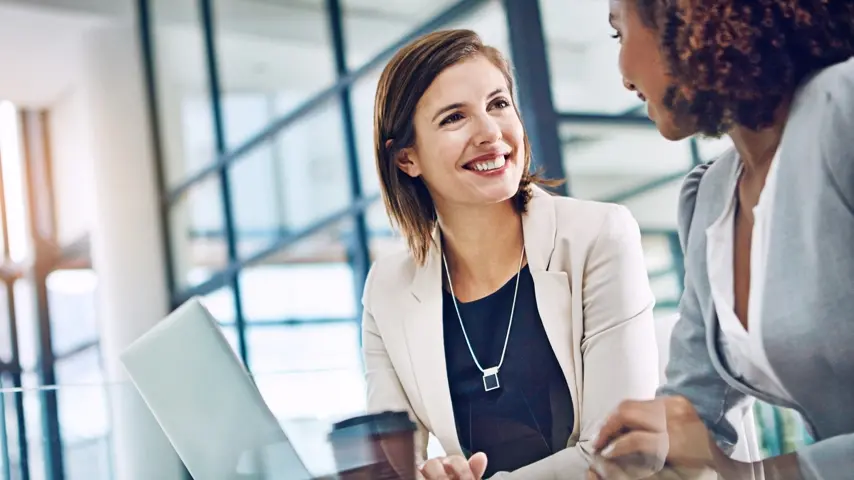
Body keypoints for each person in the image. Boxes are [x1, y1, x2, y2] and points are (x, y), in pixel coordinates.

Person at [361, 29, 660, 479]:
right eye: (454, 118)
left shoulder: (599, 235)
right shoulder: (388, 290)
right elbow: (390, 469)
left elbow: (627, 454)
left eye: (498, 104)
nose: (489, 132)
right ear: (407, 159)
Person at [592, 0, 854, 478]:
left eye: (619, 34)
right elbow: (693, 413)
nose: (624, 76)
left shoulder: (843, 110)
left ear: (682, 17)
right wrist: (645, 457)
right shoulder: (711, 195)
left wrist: (752, 474)